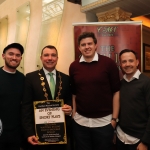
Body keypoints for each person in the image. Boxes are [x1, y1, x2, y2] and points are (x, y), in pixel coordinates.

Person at [69, 32, 120, 150]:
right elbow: (74, 93)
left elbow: (116, 92)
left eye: (89, 43)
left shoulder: (108, 63)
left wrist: (114, 120)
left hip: (104, 123)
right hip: (80, 123)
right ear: (79, 48)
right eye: (83, 45)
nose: (87, 47)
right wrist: (74, 115)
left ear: (96, 45)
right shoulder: (74, 66)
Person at [21, 45, 72, 150]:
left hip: (60, 134)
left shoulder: (66, 78)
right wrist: (29, 132)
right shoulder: (30, 78)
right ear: (41, 58)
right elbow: (26, 107)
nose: (50, 58)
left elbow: (69, 99)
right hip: (38, 134)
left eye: (53, 55)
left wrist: (70, 109)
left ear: (57, 58)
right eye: (46, 55)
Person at [116, 49, 150, 150]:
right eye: (124, 61)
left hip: (138, 141)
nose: (127, 64)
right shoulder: (120, 84)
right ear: (120, 64)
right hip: (120, 137)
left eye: (131, 61)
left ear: (137, 62)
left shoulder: (146, 83)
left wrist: (145, 141)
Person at [0, 43, 25, 150]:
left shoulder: (22, 78)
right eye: (11, 54)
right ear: (3, 56)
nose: (14, 58)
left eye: (17, 55)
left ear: (21, 58)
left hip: (15, 133)